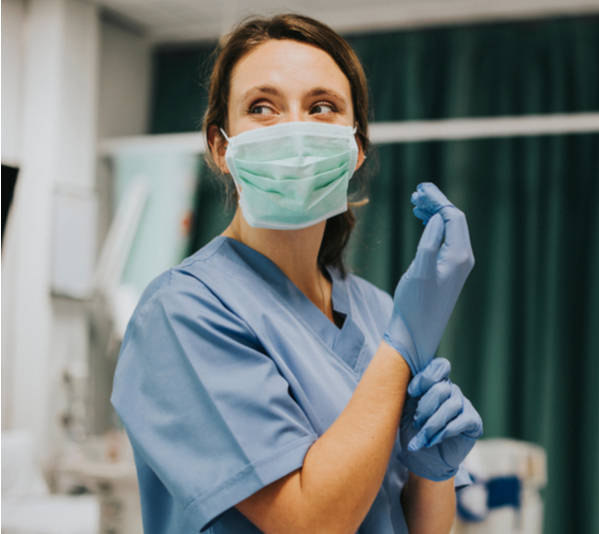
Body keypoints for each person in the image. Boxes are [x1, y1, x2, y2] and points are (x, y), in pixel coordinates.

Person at [110, 13, 482, 534]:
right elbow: (310, 524)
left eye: (321, 107)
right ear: (221, 148)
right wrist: (402, 345)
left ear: (355, 149)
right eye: (262, 107)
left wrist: (433, 473)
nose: (294, 130)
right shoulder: (180, 313)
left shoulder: (379, 310)